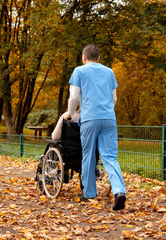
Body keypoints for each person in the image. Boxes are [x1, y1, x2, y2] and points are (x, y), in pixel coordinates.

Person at [63, 44, 126, 210]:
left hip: (90, 118)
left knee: (88, 155)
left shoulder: (79, 71)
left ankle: (89, 193)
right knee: (110, 157)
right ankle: (119, 191)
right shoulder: (109, 72)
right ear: (98, 58)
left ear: (84, 58)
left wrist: (70, 112)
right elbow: (114, 99)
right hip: (109, 118)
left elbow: (74, 97)